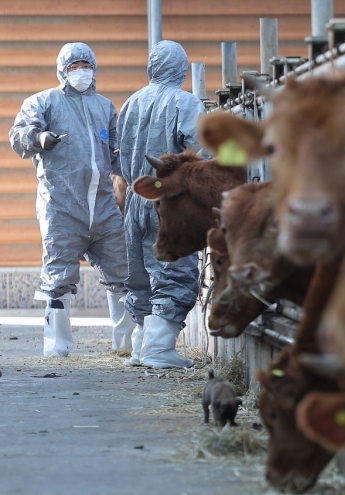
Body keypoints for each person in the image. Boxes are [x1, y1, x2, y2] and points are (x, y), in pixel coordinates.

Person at [9, 43, 136, 357]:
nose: (80, 71)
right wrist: (39, 138)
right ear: (62, 70)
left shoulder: (105, 107)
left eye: (85, 65)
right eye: (73, 66)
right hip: (61, 205)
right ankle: (58, 346)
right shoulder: (44, 102)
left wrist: (141, 171)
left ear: (94, 68)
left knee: (123, 272)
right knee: (58, 277)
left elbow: (117, 153)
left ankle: (126, 343)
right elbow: (18, 134)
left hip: (104, 206)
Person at [117, 40, 205, 368]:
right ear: (181, 69)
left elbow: (120, 154)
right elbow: (201, 153)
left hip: (136, 198)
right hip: (169, 202)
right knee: (175, 269)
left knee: (139, 273)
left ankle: (141, 347)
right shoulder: (187, 103)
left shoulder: (131, 103)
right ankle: (159, 349)